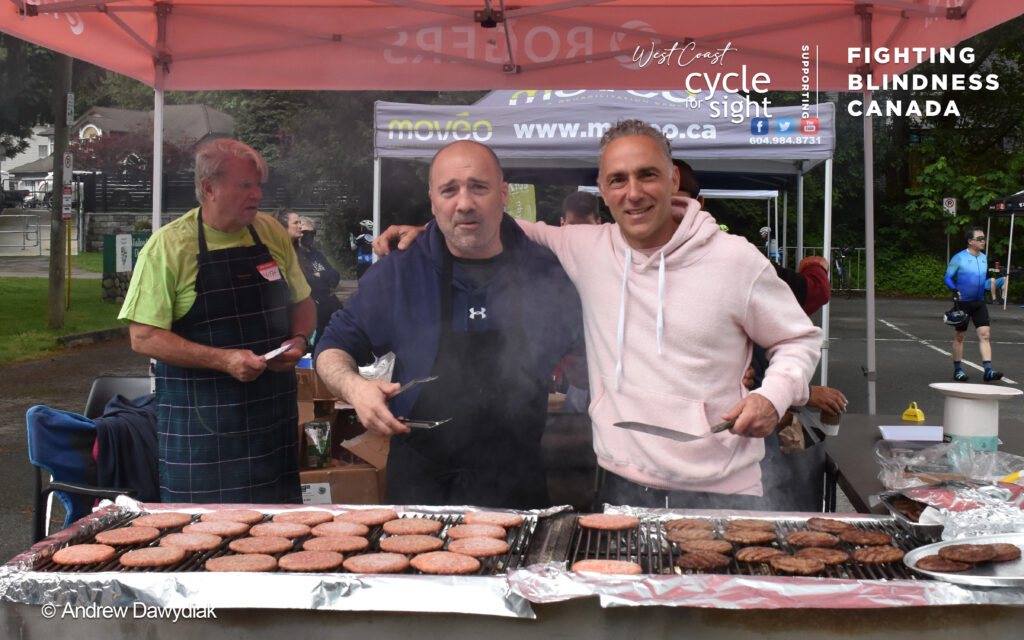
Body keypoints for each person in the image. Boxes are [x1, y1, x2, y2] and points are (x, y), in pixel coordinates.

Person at [376, 120, 822, 509]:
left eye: (647, 175)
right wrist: (430, 233)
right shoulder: (586, 247)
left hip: (724, 491)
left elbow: (797, 339)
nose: (633, 193)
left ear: (672, 179)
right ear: (603, 192)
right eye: (617, 180)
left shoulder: (735, 260)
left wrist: (773, 395)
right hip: (619, 486)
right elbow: (489, 225)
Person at [314, 140, 583, 509]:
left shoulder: (548, 271)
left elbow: (586, 359)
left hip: (516, 484)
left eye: (479, 187)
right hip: (420, 487)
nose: (465, 203)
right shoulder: (401, 273)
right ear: (433, 200)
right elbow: (331, 348)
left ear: (503, 194)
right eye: (449, 190)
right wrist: (356, 389)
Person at [118, 138, 315, 503]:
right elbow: (143, 337)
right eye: (245, 185)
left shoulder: (270, 232)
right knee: (200, 538)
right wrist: (223, 360)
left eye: (258, 185)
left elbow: (302, 301)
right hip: (203, 433)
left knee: (279, 530)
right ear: (209, 188)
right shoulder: (168, 247)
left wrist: (300, 339)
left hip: (272, 421)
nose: (256, 194)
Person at [944, 226, 1002, 382]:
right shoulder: (959, 258)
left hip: (979, 302)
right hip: (963, 302)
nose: (983, 241)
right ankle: (958, 370)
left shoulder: (983, 257)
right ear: (970, 241)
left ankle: (988, 371)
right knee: (960, 336)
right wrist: (954, 289)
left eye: (984, 238)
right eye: (980, 239)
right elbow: (947, 277)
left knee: (985, 335)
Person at [277, 211, 341, 346]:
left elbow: (334, 276)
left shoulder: (316, 254)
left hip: (326, 310)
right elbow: (307, 282)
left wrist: (320, 276)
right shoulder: (291, 254)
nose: (308, 236)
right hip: (306, 312)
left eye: (312, 234)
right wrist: (320, 278)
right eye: (306, 233)